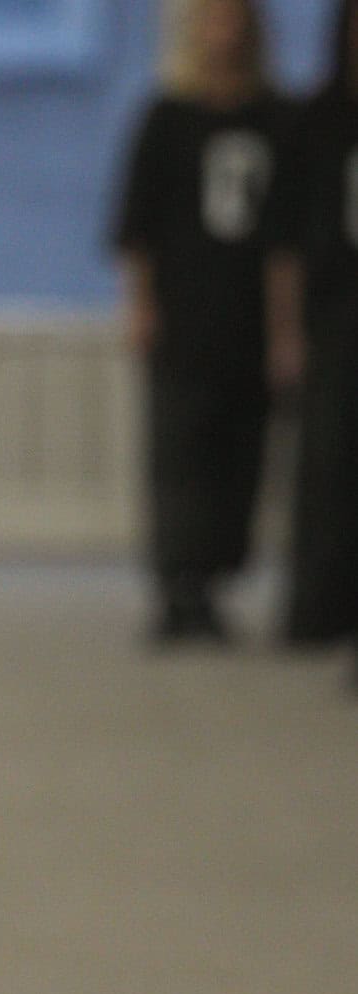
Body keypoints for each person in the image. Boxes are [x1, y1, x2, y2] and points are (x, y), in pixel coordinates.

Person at [112, 0, 300, 641]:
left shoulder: (276, 120)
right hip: (182, 320)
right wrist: (141, 305)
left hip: (245, 321)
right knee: (179, 454)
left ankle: (215, 577)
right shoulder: (167, 118)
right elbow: (137, 226)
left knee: (239, 458)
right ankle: (178, 584)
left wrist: (285, 331)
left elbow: (286, 242)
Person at [283, 0, 358, 654]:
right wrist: (286, 331)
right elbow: (286, 242)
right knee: (328, 463)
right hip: (334, 311)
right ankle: (319, 607)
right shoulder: (318, 121)